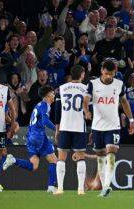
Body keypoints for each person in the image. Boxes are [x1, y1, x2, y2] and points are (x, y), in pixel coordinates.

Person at [83, 60, 134, 197]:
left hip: (113, 126)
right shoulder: (93, 84)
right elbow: (85, 100)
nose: (108, 77)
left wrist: (131, 120)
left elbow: (124, 102)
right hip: (97, 127)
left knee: (111, 154)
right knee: (100, 156)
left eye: (111, 74)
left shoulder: (119, 84)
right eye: (106, 74)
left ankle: (107, 186)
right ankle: (103, 186)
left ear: (114, 73)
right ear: (101, 71)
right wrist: (86, 111)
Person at [3, 85, 58, 193]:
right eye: (52, 93)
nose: (54, 95)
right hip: (38, 136)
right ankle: (51, 187)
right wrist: (57, 129)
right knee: (54, 160)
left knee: (33, 166)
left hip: (31, 136)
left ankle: (13, 160)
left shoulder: (38, 105)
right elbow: (45, 121)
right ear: (47, 95)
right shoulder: (45, 105)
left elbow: (41, 121)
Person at [54, 65, 88, 195]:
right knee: (80, 157)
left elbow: (57, 111)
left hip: (65, 126)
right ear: (82, 74)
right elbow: (89, 111)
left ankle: (60, 188)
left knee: (61, 158)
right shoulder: (86, 89)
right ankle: (80, 189)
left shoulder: (61, 89)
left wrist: (57, 129)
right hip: (79, 126)